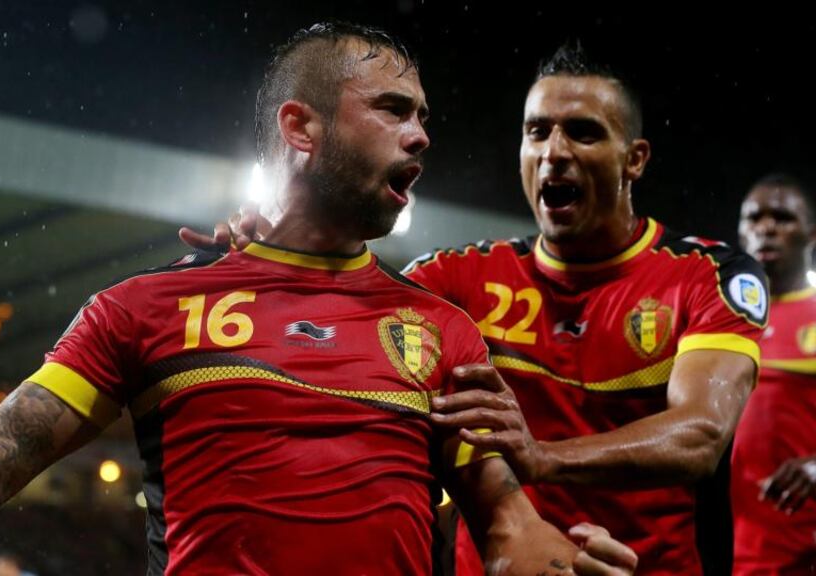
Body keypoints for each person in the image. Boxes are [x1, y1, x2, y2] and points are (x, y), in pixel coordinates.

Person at [0, 23, 634, 576]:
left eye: (422, 116)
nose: (420, 134)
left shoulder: (442, 331)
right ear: (301, 129)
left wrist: (562, 557)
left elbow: (505, 525)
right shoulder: (141, 311)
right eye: (392, 111)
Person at [188, 43, 767, 575]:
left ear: (635, 159)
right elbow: (335, 318)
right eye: (537, 132)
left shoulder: (706, 274)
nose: (553, 152)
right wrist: (268, 257)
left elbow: (701, 434)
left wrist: (544, 458)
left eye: (583, 133)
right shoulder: (458, 278)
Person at [732, 173, 816, 574]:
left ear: (811, 235)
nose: (765, 227)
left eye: (782, 218)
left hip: (797, 552)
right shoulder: (718, 321)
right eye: (754, 218)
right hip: (716, 550)